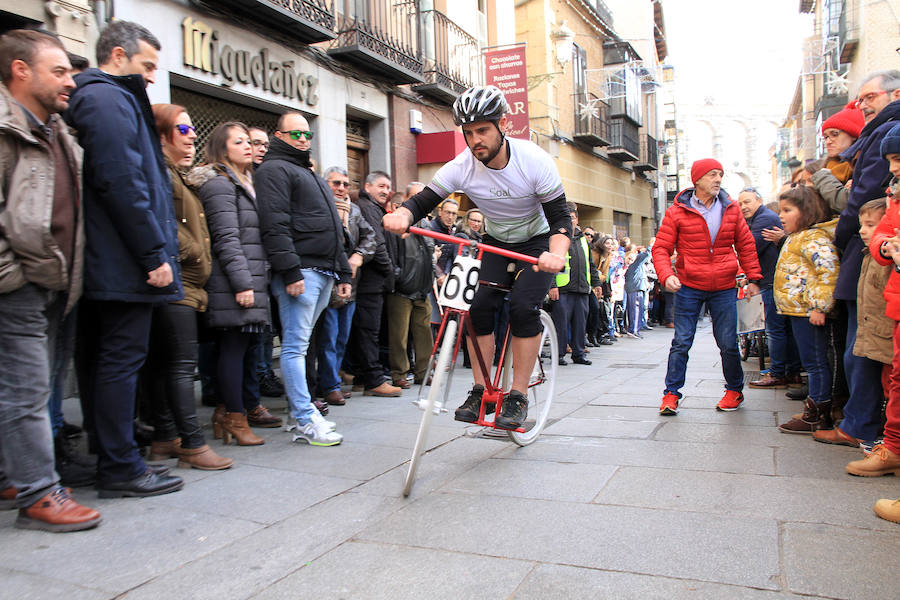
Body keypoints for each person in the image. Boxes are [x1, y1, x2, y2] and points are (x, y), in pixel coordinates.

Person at [384, 85, 571, 429]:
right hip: (497, 240)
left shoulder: (534, 160)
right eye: (468, 133)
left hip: (537, 243)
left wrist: (556, 255)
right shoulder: (463, 165)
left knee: (522, 307)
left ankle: (516, 396)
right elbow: (423, 200)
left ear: (503, 124)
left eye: (482, 130)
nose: (475, 140)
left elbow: (560, 220)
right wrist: (403, 217)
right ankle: (480, 388)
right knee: (480, 307)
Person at [66, 20, 184, 498]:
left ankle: (114, 456)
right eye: (147, 65)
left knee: (106, 360)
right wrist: (153, 253)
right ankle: (119, 466)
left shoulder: (107, 99)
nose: (153, 76)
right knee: (119, 360)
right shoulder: (107, 99)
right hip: (122, 262)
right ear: (117, 55)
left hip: (114, 259)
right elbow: (121, 181)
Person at [0, 28, 101, 531]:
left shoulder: (56, 130)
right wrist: (12, 277)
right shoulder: (6, 127)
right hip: (19, 282)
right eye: (58, 71)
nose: (70, 82)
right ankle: (39, 493)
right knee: (28, 389)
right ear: (22, 71)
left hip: (56, 281)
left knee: (23, 388)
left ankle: (10, 475)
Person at [145, 104, 232, 469]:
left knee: (166, 365)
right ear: (162, 136)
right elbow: (162, 224)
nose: (192, 134)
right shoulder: (160, 175)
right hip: (177, 281)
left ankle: (166, 437)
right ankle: (192, 446)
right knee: (181, 366)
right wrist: (197, 255)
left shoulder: (178, 176)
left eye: (192, 128)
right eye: (182, 130)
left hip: (186, 283)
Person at [256, 112, 350, 445]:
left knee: (303, 346)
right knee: (295, 349)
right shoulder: (273, 171)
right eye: (296, 133)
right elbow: (274, 224)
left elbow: (335, 228)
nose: (303, 139)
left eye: (308, 134)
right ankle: (304, 417)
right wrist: (290, 270)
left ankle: (303, 415)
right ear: (278, 134)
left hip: (323, 271)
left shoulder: (307, 172)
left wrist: (343, 270)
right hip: (303, 272)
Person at [652, 158, 762, 416]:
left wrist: (754, 278)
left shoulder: (731, 209)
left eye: (720, 175)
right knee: (681, 341)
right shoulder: (677, 211)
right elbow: (661, 248)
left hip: (724, 286)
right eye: (712, 174)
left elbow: (745, 245)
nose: (718, 179)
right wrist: (666, 275)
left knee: (727, 343)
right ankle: (671, 394)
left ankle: (734, 390)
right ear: (697, 179)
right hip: (689, 285)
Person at [833, 70, 900, 454]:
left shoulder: (888, 130)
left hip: (875, 268)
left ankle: (864, 427)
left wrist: (850, 235)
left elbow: (863, 200)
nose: (863, 105)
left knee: (868, 346)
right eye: (860, 100)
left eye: (869, 97)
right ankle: (871, 429)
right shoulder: (881, 132)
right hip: (873, 256)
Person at [190, 122, 269, 447]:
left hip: (246, 279)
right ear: (222, 149)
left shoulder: (244, 182)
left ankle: (226, 414)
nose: (248, 146)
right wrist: (242, 283)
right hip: (232, 283)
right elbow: (226, 239)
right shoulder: (221, 185)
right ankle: (234, 418)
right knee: (232, 351)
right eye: (239, 142)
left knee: (241, 350)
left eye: (249, 141)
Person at [846, 128, 900, 526]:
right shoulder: (894, 195)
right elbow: (885, 231)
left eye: (898, 163)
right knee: (895, 380)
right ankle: (893, 445)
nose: (893, 172)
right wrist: (885, 247)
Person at [814, 198, 890, 447]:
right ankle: (863, 427)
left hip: (880, 330)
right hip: (871, 327)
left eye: (870, 225)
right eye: (861, 225)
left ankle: (867, 430)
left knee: (878, 378)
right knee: (857, 365)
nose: (862, 231)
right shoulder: (869, 253)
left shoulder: (883, 257)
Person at [771, 186, 839, 433]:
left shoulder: (813, 238)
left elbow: (828, 271)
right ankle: (816, 407)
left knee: (816, 362)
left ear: (807, 211)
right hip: (799, 310)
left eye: (787, 210)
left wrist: (820, 307)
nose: (781, 216)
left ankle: (818, 412)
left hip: (810, 312)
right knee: (813, 361)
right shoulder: (798, 236)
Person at [316, 166, 376, 405]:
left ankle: (333, 381)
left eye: (345, 184)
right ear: (325, 184)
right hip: (326, 283)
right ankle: (328, 385)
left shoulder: (355, 211)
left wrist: (359, 255)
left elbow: (370, 237)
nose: (341, 188)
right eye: (335, 183)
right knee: (328, 338)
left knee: (341, 337)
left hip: (350, 285)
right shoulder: (319, 206)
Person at [740, 187, 802, 389]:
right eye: (740, 203)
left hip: (772, 281)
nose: (743, 207)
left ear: (759, 200)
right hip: (772, 279)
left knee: (775, 329)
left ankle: (777, 373)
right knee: (785, 329)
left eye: (747, 202)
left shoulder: (764, 219)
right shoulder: (759, 219)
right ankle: (791, 372)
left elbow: (750, 247)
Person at [350, 170, 401, 397]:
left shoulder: (372, 207)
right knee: (369, 331)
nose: (385, 191)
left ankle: (362, 376)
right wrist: (390, 270)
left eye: (387, 187)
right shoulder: (368, 208)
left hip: (374, 280)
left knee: (367, 330)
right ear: (367, 187)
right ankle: (373, 379)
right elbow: (378, 245)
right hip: (370, 281)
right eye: (380, 186)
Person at [386, 194, 436, 388]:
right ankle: (399, 373)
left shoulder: (426, 226)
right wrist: (399, 278)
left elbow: (430, 256)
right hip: (402, 288)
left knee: (424, 333)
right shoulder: (397, 225)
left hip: (423, 287)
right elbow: (390, 255)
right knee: (399, 335)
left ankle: (423, 372)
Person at [550, 202, 600, 364]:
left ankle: (579, 354)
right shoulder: (557, 237)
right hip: (563, 288)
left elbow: (590, 264)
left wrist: (596, 283)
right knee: (560, 325)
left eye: (572, 218)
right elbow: (551, 263)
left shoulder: (583, 240)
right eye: (567, 218)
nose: (570, 221)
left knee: (580, 324)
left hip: (582, 288)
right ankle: (559, 354)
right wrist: (552, 285)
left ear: (577, 220)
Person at [807, 104, 865, 214]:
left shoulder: (862, 167)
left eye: (835, 134)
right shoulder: (825, 168)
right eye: (826, 137)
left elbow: (846, 204)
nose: (828, 141)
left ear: (853, 135)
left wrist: (823, 177)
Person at [623, 245, 650, 339]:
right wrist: (650, 245)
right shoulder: (634, 262)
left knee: (638, 309)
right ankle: (633, 330)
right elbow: (646, 255)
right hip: (635, 288)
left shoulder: (635, 262)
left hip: (637, 287)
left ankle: (635, 329)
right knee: (635, 309)